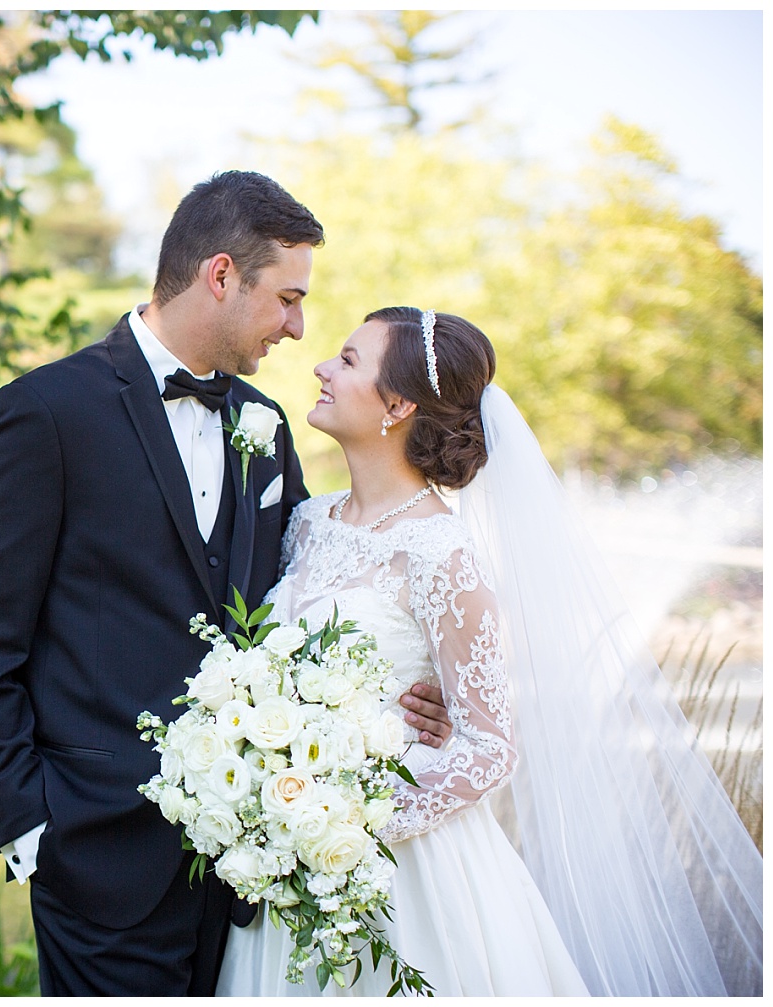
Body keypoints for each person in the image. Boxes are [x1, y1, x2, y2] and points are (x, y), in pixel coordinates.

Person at [0, 173, 454, 997]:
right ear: (220, 276)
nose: (298, 325)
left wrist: (408, 694)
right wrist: (29, 825)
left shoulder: (266, 424)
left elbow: (300, 611)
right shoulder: (45, 412)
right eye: (286, 297)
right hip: (94, 850)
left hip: (251, 871)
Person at [216, 307, 762, 996]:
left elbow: (490, 746)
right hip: (290, 853)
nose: (323, 366)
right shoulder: (306, 522)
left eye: (349, 359)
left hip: (393, 867)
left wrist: (349, 823)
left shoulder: (442, 551)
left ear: (397, 403)